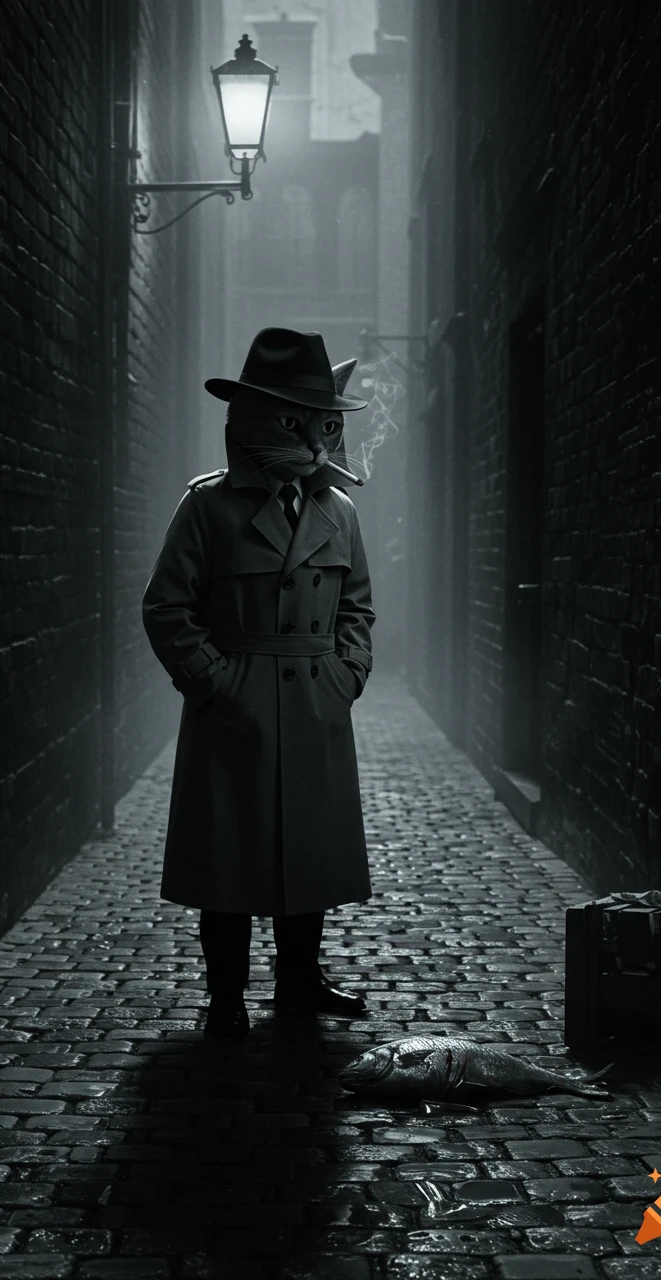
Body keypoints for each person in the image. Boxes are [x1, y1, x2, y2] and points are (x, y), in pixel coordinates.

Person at [142, 327, 376, 1038]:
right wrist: (215, 682)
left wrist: (346, 675)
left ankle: (302, 982)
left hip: (314, 702)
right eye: (293, 423)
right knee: (230, 856)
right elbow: (167, 606)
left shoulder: (341, 511)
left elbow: (358, 607)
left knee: (309, 850)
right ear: (248, 420)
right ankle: (226, 995)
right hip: (236, 705)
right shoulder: (207, 507)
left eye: (324, 425)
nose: (312, 443)